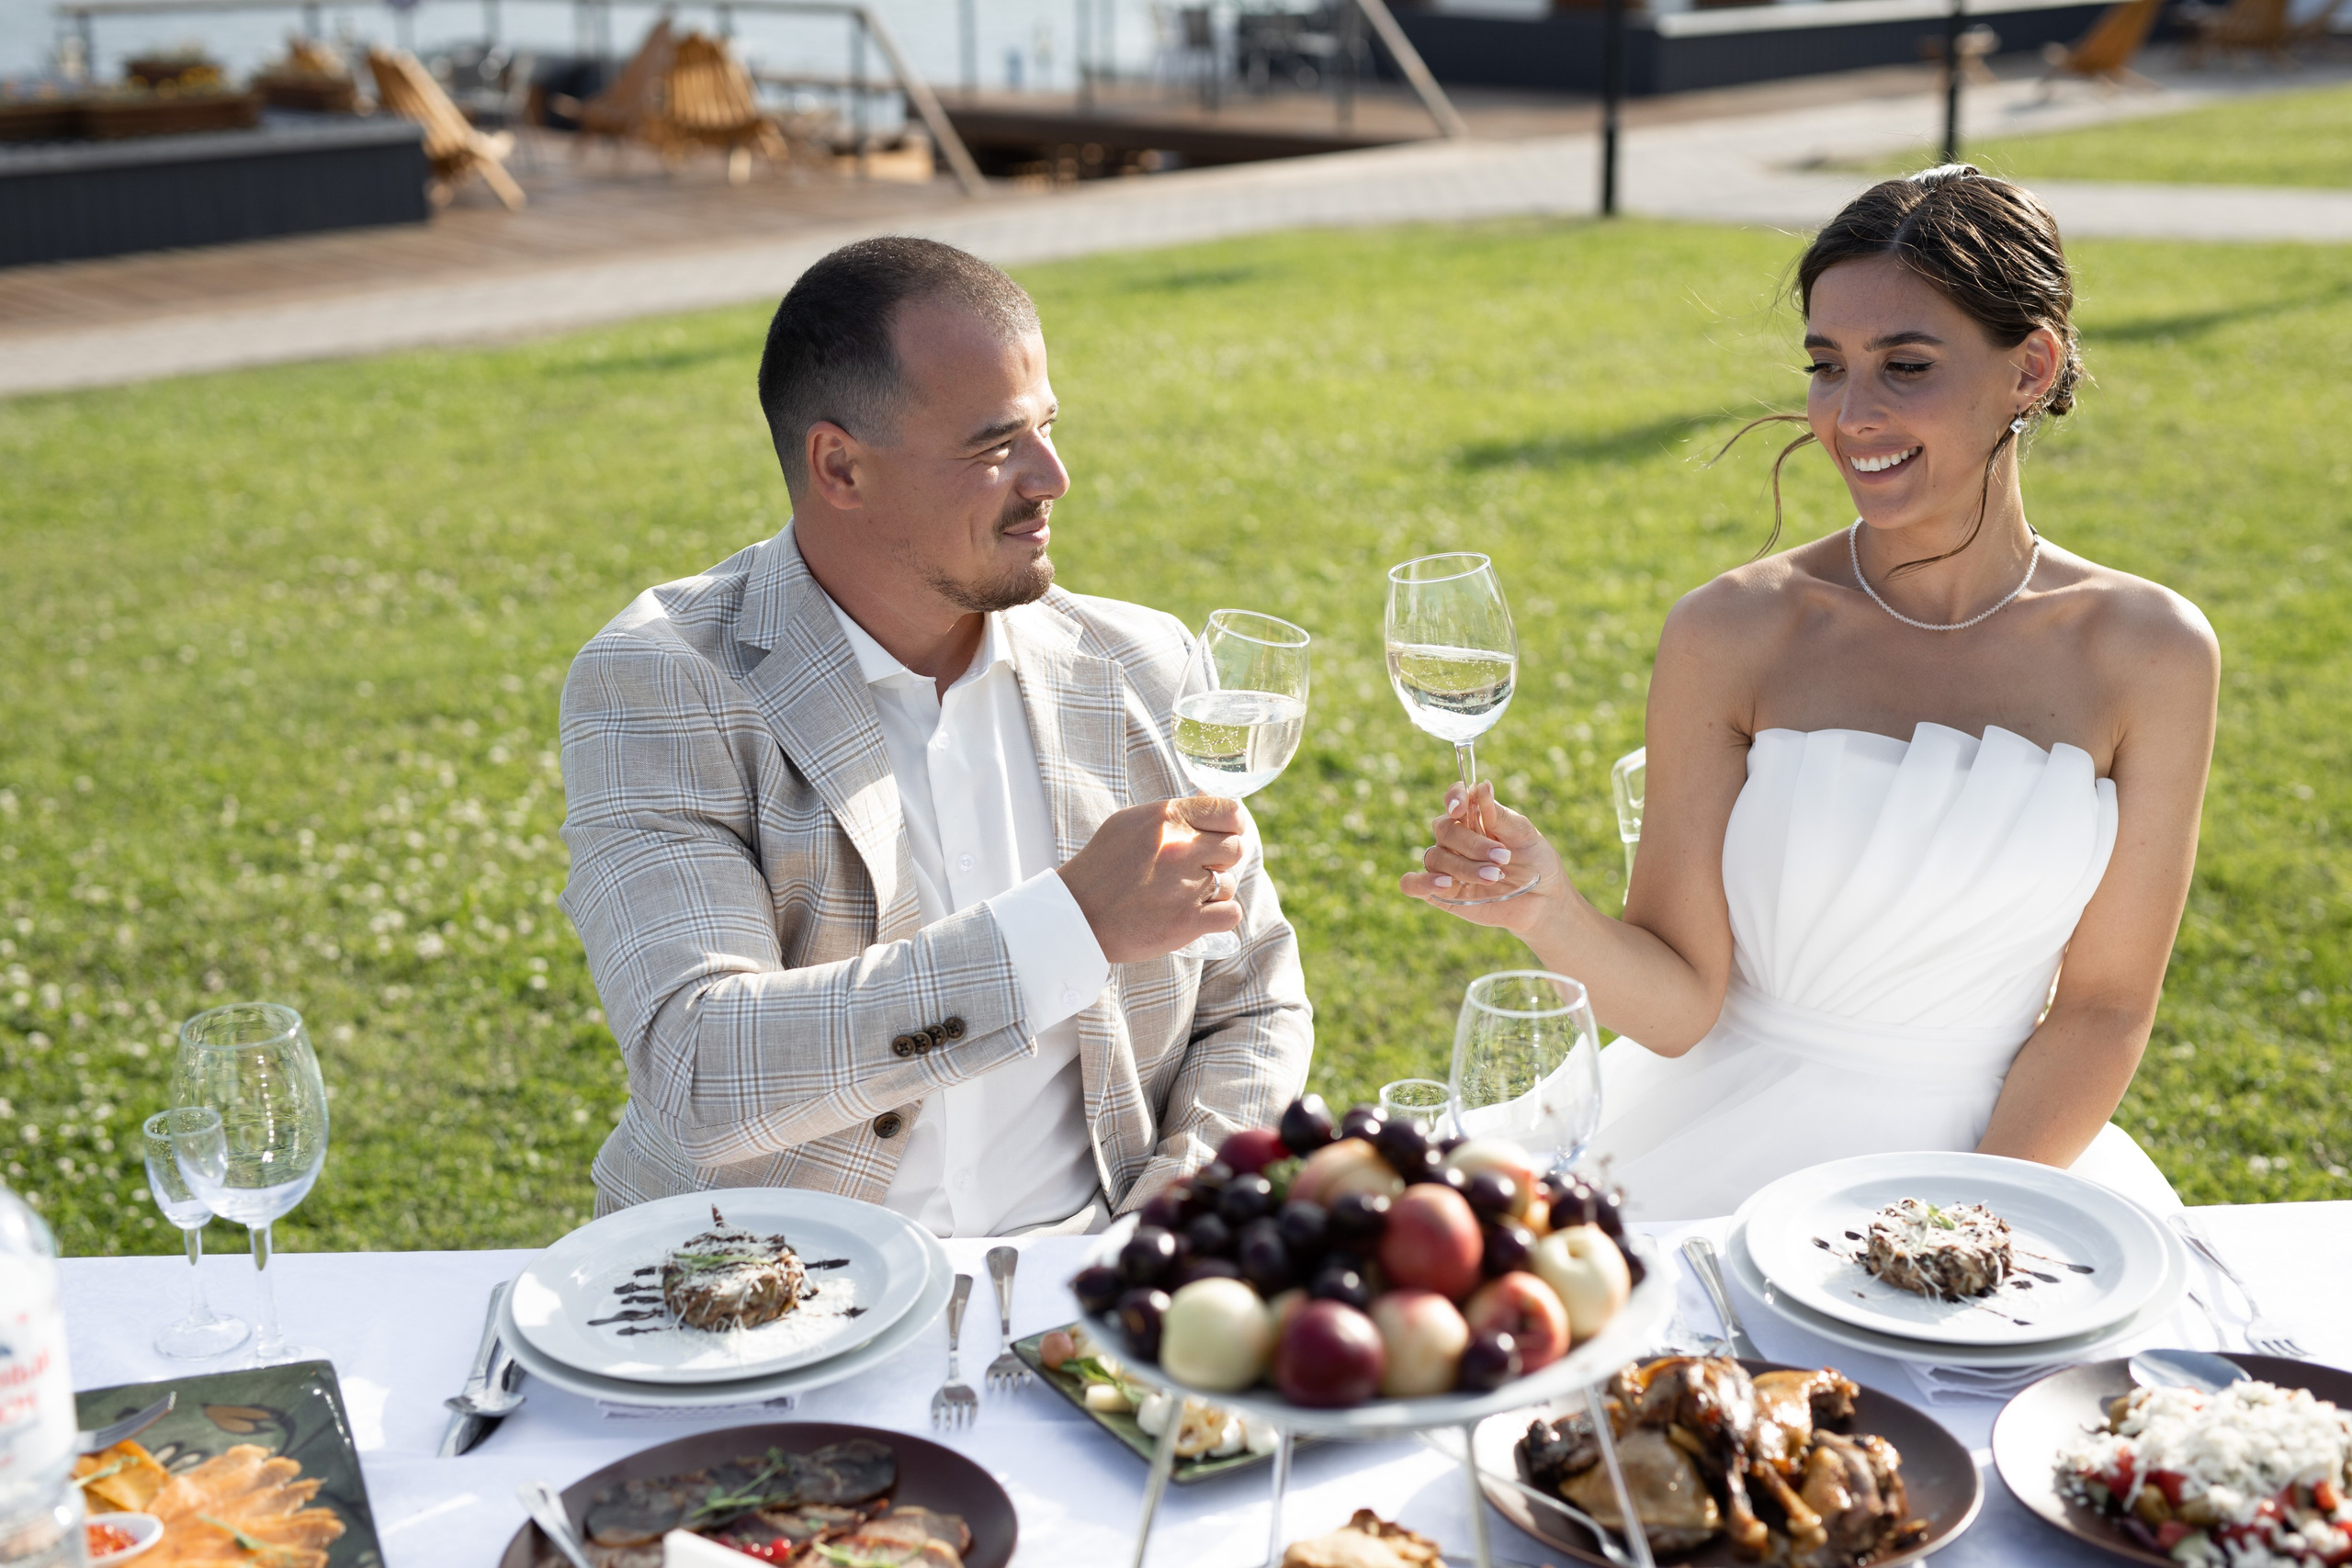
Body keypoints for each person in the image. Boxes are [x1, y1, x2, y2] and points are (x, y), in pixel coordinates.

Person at [1401, 167, 2214, 1221]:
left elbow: (2104, 1009)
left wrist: (1962, 1219)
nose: (1850, 414)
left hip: (2009, 1159)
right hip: (1716, 1151)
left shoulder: (2149, 653)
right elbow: (1681, 1004)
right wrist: (1549, 909)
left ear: (2030, 368)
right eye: (1826, 367)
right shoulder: (1731, 630)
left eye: (1904, 366)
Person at [560, 236, 1313, 1234]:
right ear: (840, 467)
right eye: (995, 445)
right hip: (768, 1300)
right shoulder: (668, 679)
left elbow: (1251, 1002)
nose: (1052, 477)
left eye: (1048, 427)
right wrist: (1069, 927)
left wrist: (1171, 1223)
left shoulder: (1144, 666)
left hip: (1087, 1283)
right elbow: (700, 1069)